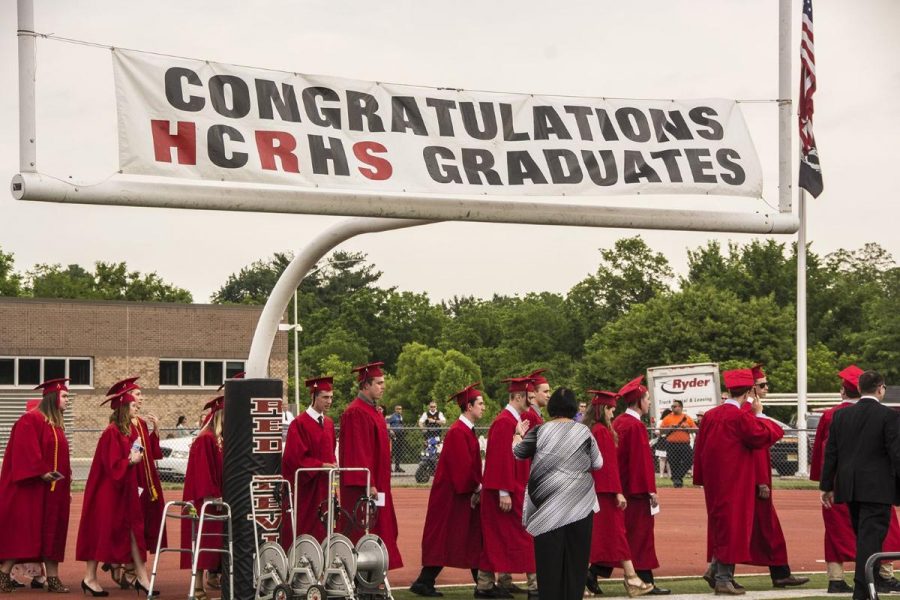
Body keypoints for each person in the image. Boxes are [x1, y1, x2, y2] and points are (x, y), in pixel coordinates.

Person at [693, 368, 783, 595]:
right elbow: (767, 435)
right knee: (733, 528)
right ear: (747, 392)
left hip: (715, 483)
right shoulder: (741, 417)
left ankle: (717, 571)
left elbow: (699, 449)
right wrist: (760, 414)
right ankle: (723, 578)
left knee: (721, 526)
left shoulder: (712, 415)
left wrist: (700, 477)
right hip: (736, 481)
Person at [811, 366, 900, 594]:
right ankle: (863, 591)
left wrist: (826, 486)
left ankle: (865, 587)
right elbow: (896, 454)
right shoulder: (889, 416)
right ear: (880, 389)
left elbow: (831, 453)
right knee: (870, 541)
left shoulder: (840, 415)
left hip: (849, 487)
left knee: (864, 539)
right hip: (877, 488)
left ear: (859, 388)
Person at [513, 387, 603, 600]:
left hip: (547, 507)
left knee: (548, 565)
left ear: (552, 407)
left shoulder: (539, 431)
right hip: (579, 506)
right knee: (576, 564)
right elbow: (598, 463)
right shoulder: (584, 432)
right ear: (573, 408)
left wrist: (517, 434)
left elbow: (517, 453)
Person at [76, 388, 157, 597]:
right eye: (132, 405)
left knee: (133, 532)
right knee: (101, 533)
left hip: (126, 491)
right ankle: (90, 578)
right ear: (123, 408)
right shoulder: (111, 432)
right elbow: (112, 465)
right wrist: (130, 461)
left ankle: (142, 578)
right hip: (108, 493)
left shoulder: (130, 430)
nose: (136, 407)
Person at [593, 376, 669, 595]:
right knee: (640, 536)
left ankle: (595, 573)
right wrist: (649, 490)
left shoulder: (618, 423)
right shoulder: (634, 426)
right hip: (634, 491)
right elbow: (641, 463)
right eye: (647, 398)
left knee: (623, 534)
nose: (649, 403)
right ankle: (643, 579)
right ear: (639, 402)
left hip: (622, 487)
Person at [409, 383, 486, 598]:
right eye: (480, 403)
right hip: (451, 496)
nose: (484, 407)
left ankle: (482, 584)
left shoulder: (465, 430)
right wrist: (478, 487)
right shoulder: (458, 432)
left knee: (469, 537)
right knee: (447, 538)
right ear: (469, 406)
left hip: (459, 494)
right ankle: (425, 582)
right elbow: (462, 468)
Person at [0, 378, 73, 594]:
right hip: (31, 490)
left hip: (54, 490)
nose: (68, 400)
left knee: (53, 533)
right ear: (53, 397)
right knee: (24, 533)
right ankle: (4, 574)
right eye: (65, 396)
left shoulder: (56, 425)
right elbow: (25, 453)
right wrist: (42, 472)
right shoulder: (30, 420)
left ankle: (53, 578)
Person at [742, 364, 808, 588]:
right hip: (754, 480)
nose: (766, 388)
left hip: (750, 480)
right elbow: (757, 448)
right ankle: (718, 570)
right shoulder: (749, 411)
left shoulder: (748, 408)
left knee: (758, 529)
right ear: (751, 389)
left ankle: (780, 571)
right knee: (761, 529)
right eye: (762, 385)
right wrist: (762, 480)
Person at [583, 390, 654, 598]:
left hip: (594, 491)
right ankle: (630, 579)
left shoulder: (590, 429)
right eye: (611, 410)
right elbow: (607, 467)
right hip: (604, 493)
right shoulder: (602, 432)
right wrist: (617, 492)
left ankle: (631, 578)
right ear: (604, 409)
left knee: (610, 537)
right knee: (611, 536)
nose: (613, 415)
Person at [338, 362, 403, 569]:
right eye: (379, 383)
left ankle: (375, 572)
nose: (383, 387)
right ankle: (363, 572)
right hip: (365, 488)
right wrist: (369, 483)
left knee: (381, 527)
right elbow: (359, 452)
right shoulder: (356, 412)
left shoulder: (373, 411)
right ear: (365, 385)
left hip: (378, 483)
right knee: (364, 529)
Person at [103, 377, 166, 590]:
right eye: (137, 395)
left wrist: (155, 431)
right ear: (127, 398)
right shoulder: (120, 427)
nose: (141, 398)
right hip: (132, 478)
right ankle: (125, 567)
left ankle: (129, 570)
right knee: (128, 525)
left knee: (142, 526)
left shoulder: (141, 423)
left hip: (146, 481)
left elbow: (151, 453)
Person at [478, 377, 537, 599]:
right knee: (523, 537)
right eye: (528, 397)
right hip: (506, 492)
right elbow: (499, 459)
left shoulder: (512, 421)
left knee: (500, 539)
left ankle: (484, 585)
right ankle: (535, 586)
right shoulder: (504, 422)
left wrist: (520, 434)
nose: (530, 402)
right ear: (518, 397)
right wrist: (504, 491)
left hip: (513, 489)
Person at [282, 376, 337, 545]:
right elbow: (294, 457)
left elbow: (331, 451)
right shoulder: (299, 424)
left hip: (325, 484)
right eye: (325, 397)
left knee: (327, 523)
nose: (329, 401)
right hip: (307, 487)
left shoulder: (328, 423)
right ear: (313, 397)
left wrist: (332, 466)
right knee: (306, 526)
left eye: (331, 397)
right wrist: (320, 466)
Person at [180, 395, 225, 600]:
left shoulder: (219, 438)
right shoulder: (206, 439)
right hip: (205, 500)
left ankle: (212, 580)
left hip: (217, 499)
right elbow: (203, 472)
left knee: (215, 543)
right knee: (203, 541)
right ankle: (197, 585)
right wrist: (212, 497)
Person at [659, 402, 694, 487]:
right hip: (671, 444)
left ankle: (677, 477)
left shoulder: (687, 418)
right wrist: (669, 427)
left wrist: (687, 427)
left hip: (684, 444)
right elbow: (661, 431)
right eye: (672, 406)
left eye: (675, 406)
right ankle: (677, 482)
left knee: (689, 459)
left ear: (681, 407)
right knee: (673, 463)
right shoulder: (667, 418)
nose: (673, 408)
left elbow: (695, 429)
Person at [386, 404, 406, 473]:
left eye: (400, 409)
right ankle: (389, 467)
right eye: (397, 409)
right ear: (395, 409)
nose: (399, 410)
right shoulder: (392, 416)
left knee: (399, 451)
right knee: (393, 451)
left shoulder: (400, 416)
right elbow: (387, 423)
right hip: (394, 435)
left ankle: (397, 467)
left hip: (401, 435)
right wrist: (390, 430)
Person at [655, 408, 671, 479]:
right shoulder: (660, 421)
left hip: (670, 440)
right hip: (662, 440)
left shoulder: (671, 421)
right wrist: (663, 432)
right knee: (662, 458)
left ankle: (669, 474)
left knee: (670, 458)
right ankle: (661, 474)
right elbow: (656, 432)